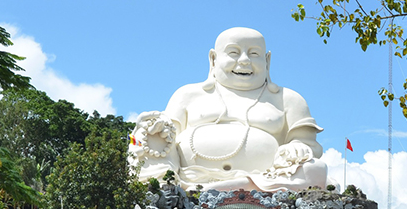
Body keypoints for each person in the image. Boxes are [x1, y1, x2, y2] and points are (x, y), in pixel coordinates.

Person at [128, 27, 328, 191]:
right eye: (233, 52)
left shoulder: (288, 99)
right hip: (188, 177)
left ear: (267, 61)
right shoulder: (187, 94)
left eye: (254, 54)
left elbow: (309, 146)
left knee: (315, 169)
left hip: (268, 181)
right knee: (143, 140)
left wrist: (296, 146)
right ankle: (181, 189)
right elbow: (166, 137)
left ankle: (226, 187)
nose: (244, 60)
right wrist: (155, 129)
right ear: (213, 59)